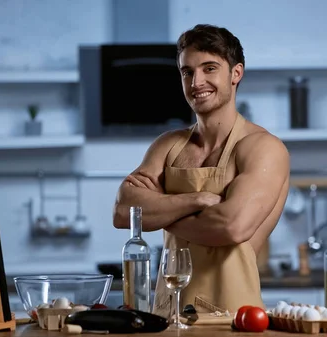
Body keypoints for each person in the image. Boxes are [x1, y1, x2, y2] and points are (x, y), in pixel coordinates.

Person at [113, 24, 290, 318]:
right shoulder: (168, 145)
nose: (196, 82)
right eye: (187, 71)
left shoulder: (263, 148)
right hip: (167, 317)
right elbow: (123, 212)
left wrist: (161, 216)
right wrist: (195, 201)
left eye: (209, 68)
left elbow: (231, 226)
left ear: (236, 73)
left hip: (232, 317)